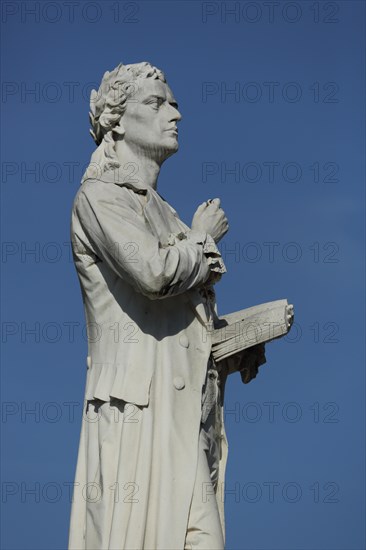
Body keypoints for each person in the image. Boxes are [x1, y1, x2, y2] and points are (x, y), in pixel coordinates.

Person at [68, 62, 265, 550]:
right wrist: (202, 241)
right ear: (116, 119)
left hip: (182, 420)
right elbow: (153, 275)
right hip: (140, 415)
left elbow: (178, 325)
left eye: (173, 103)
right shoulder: (100, 196)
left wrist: (232, 346)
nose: (174, 113)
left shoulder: (165, 212)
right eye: (156, 103)